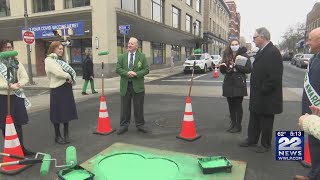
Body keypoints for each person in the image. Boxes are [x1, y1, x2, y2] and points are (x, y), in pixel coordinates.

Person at [239, 27, 283, 153]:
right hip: (258, 94)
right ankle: (252, 140)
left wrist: (263, 90)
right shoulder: (261, 51)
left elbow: (275, 77)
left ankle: (265, 144)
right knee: (254, 118)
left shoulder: (273, 52)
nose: (253, 40)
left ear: (262, 37)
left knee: (266, 121)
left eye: (254, 37)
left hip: (267, 96)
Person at [0, 40, 35, 155]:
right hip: (4, 98)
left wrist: (19, 84)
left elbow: (25, 77)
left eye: (10, 47)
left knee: (18, 123)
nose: (9, 50)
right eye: (6, 48)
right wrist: (8, 86)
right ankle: (11, 151)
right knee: (6, 125)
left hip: (17, 96)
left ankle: (21, 148)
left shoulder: (16, 63)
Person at [294, 27, 320, 180]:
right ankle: (313, 174)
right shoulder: (314, 57)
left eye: (310, 39)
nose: (307, 42)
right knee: (314, 143)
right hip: (311, 108)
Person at [44, 41, 78, 144]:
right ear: (53, 49)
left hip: (66, 88)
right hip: (57, 89)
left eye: (62, 49)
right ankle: (57, 136)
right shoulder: (49, 60)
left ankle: (66, 134)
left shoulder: (61, 60)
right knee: (57, 114)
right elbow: (58, 73)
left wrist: (70, 78)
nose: (61, 50)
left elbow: (66, 72)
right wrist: (68, 76)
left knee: (66, 112)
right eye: (59, 48)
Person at [115, 37, 149, 135]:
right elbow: (118, 69)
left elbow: (146, 69)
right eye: (129, 43)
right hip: (125, 86)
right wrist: (127, 73)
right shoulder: (122, 56)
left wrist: (136, 74)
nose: (129, 45)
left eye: (131, 44)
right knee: (124, 107)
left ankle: (140, 125)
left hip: (138, 86)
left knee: (138, 107)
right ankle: (124, 126)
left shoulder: (142, 56)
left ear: (136, 46)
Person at [220, 39, 251, 133]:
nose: (234, 46)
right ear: (230, 45)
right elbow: (223, 71)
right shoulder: (226, 54)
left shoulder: (244, 55)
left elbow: (249, 69)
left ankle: (238, 125)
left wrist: (237, 67)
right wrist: (222, 67)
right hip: (228, 82)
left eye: (236, 44)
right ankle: (233, 123)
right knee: (231, 105)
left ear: (239, 45)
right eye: (232, 44)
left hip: (239, 83)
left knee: (238, 105)